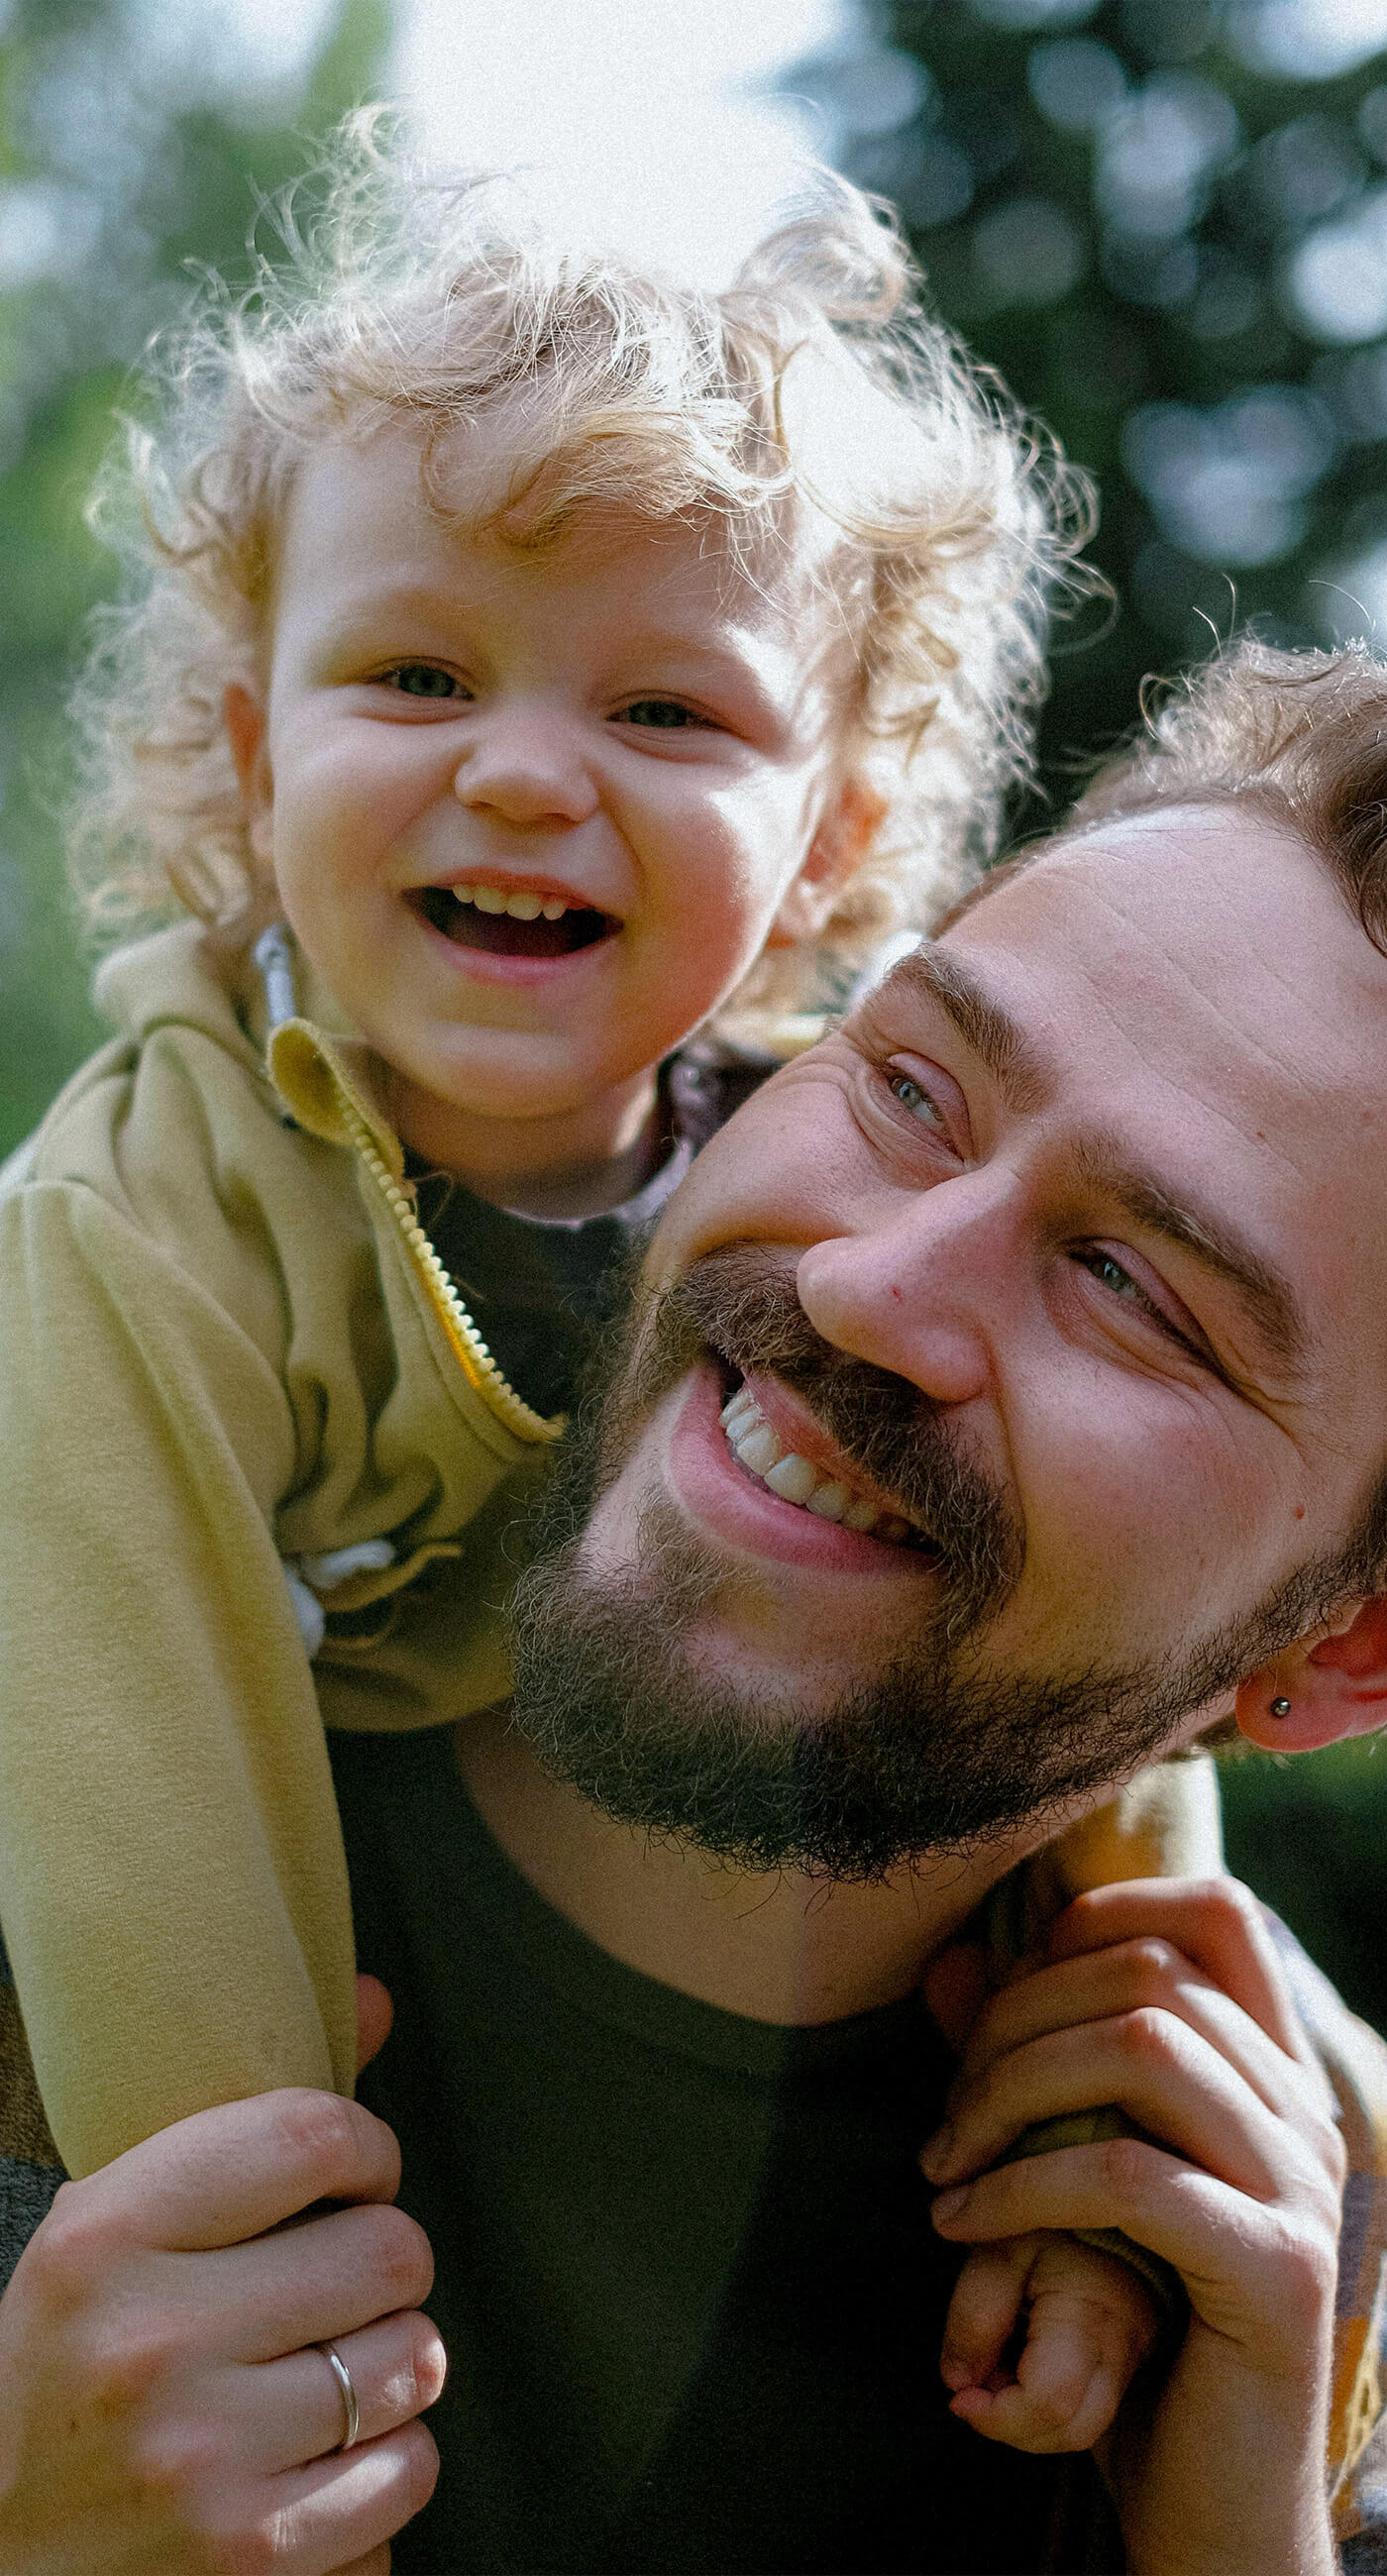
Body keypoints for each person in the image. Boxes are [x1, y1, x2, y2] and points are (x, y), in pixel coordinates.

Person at [5, 636, 1387, 2573]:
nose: (870, 1289)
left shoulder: (1305, 2276)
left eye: (1136, 1290)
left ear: (1343, 1648)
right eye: (911, 1085)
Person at [0, 113, 1083, 2197]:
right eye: (415, 676)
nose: (516, 771)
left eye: (666, 714)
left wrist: (1131, 1980)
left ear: (828, 844)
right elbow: (130, 1799)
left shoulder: (837, 1187)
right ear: (254, 755)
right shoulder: (144, 1217)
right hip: (146, 2065)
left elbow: (1066, 1629)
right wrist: (234, 2248)